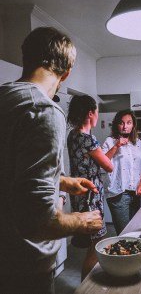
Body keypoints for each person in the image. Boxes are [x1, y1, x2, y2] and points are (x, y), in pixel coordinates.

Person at [0, 27, 103, 294]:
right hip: (23, 266)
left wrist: (62, 181)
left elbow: (9, 171)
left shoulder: (5, 98)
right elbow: (38, 221)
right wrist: (84, 221)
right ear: (65, 73)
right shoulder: (43, 109)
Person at [67, 94, 113, 280]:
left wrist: (114, 147)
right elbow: (108, 166)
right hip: (91, 198)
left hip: (79, 195)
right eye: (97, 112)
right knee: (97, 244)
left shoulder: (73, 136)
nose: (98, 116)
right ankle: (85, 288)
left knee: (93, 243)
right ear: (90, 113)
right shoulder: (89, 139)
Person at [102, 109, 141, 235]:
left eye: (129, 123)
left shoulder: (138, 142)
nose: (125, 126)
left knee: (136, 232)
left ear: (133, 125)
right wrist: (116, 146)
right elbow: (103, 163)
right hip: (118, 194)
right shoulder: (109, 141)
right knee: (124, 234)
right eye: (122, 123)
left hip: (136, 194)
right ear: (117, 125)